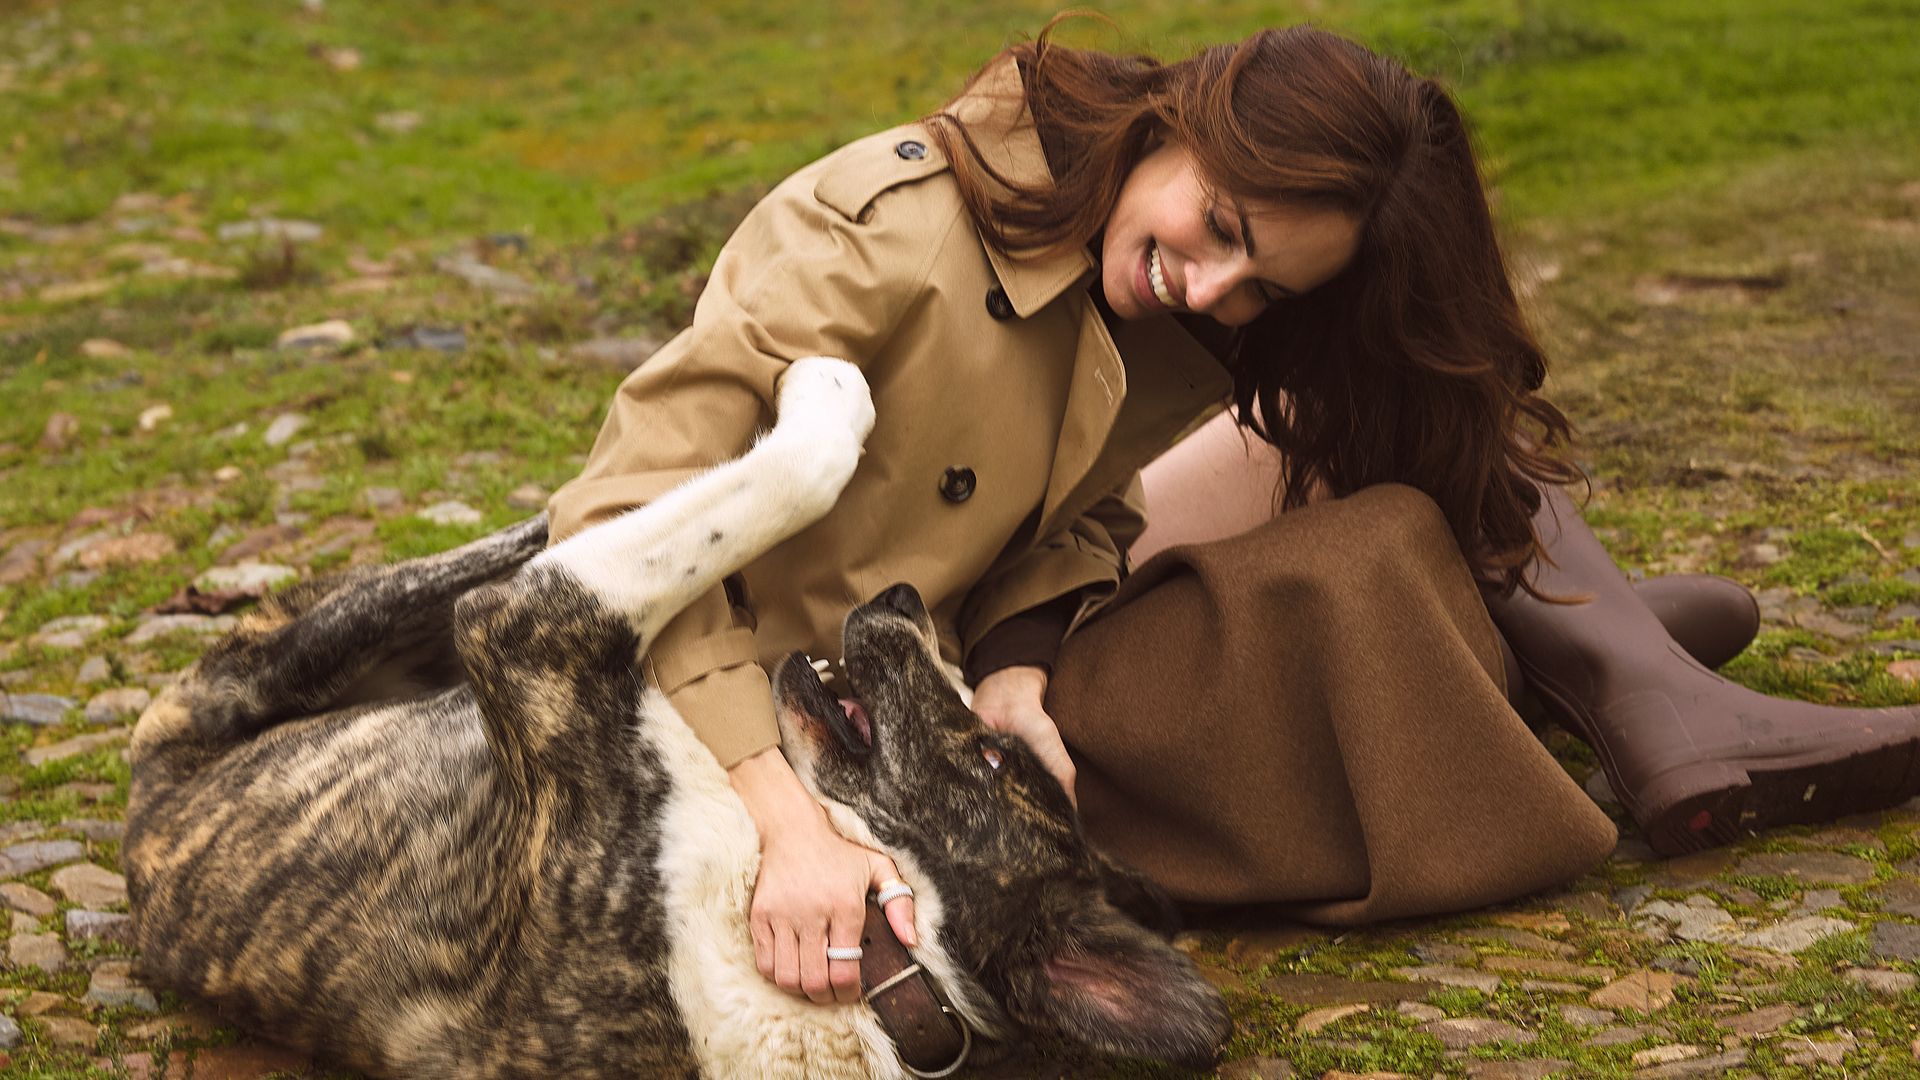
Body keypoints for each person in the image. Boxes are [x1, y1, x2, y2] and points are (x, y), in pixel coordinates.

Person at [546, 21, 1920, 1005]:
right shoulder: (883, 232)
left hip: (981, 649)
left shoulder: (1143, 271)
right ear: (1192, 115)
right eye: (1223, 227)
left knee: (1388, 408)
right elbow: (612, 530)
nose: (1209, 290)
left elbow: (1066, 509)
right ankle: (1549, 661)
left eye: (1257, 281)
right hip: (844, 704)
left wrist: (1019, 665)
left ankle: (1599, 667)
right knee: (1381, 542)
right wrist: (787, 827)